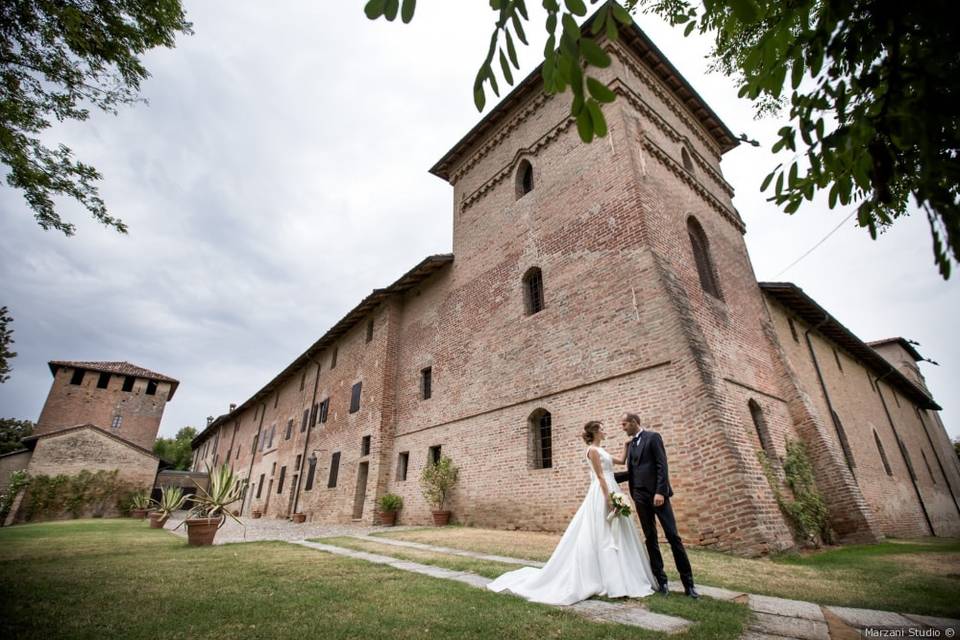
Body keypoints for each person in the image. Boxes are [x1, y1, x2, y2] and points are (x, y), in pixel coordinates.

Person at [486, 421, 657, 605]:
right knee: (603, 532)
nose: (605, 430)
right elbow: (600, 476)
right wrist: (609, 499)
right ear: (595, 432)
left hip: (612, 488)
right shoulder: (592, 451)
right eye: (602, 428)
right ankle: (606, 578)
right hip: (602, 492)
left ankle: (623, 576)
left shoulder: (603, 450)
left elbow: (622, 461)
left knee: (617, 532)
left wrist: (626, 446)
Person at [613, 412, 699, 598]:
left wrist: (661, 491)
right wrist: (607, 477)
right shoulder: (631, 445)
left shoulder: (653, 437)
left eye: (624, 424)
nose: (623, 428)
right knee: (650, 538)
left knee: (673, 536)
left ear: (634, 422)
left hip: (657, 495)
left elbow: (662, 465)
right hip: (640, 497)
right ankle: (662, 582)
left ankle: (689, 585)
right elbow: (634, 472)